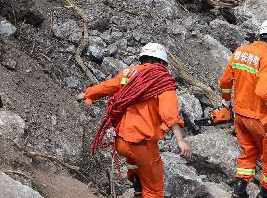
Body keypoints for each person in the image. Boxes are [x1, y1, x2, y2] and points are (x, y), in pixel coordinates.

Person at [77, 43, 191, 198]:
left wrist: (87, 94)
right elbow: (169, 112)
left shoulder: (128, 73)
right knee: (154, 189)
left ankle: (138, 191)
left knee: (134, 164)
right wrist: (180, 140)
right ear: (163, 62)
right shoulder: (162, 80)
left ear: (143, 58)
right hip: (141, 144)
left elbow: (107, 87)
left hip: (121, 141)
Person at [218, 19, 267, 198]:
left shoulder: (240, 52)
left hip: (240, 115)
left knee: (248, 151)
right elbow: (265, 93)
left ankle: (239, 189)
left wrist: (226, 102)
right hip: (261, 119)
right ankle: (266, 192)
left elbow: (224, 81)